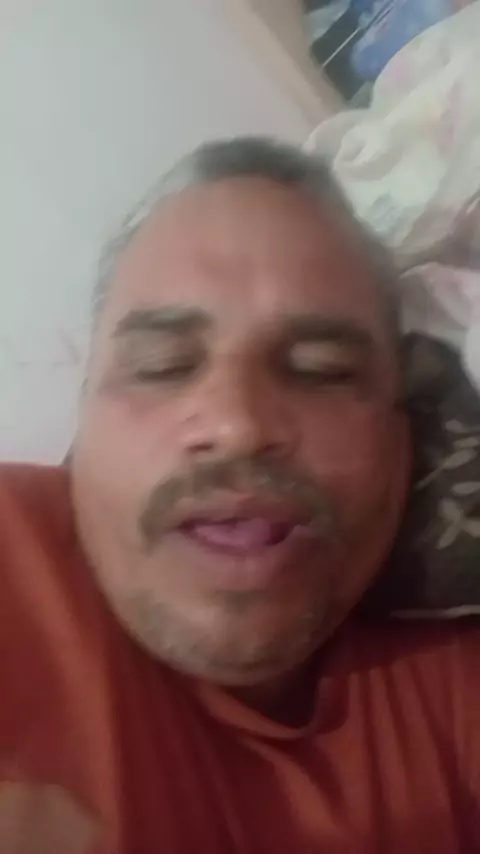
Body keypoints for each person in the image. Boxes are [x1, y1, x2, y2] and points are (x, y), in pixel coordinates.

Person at [0, 137, 478, 853]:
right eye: (163, 366)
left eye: (320, 370)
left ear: (402, 437)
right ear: (84, 414)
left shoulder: (452, 683)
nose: (237, 425)